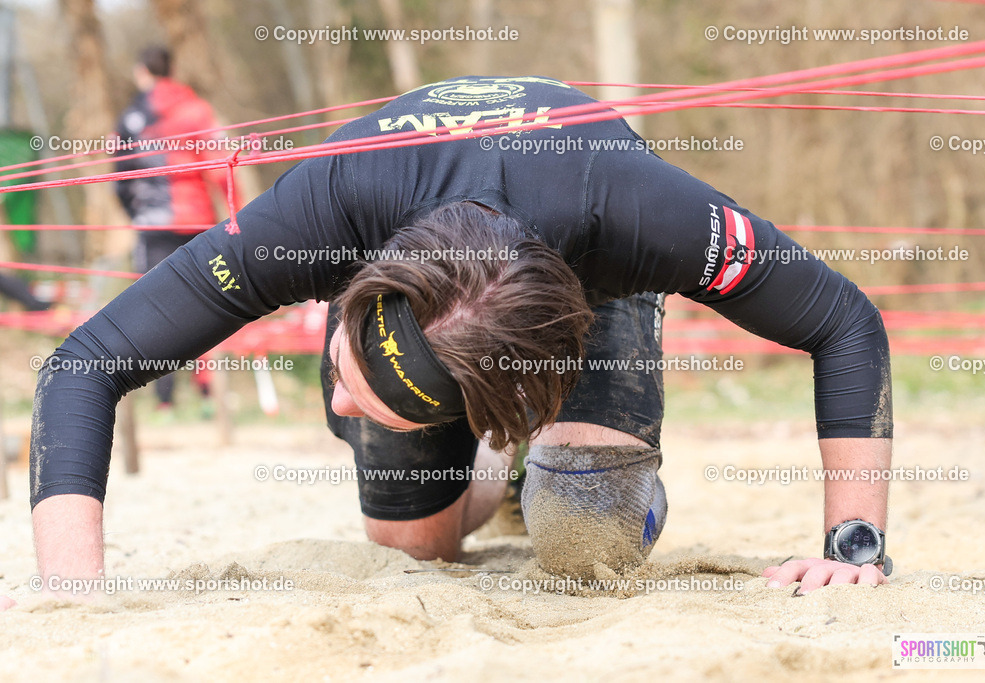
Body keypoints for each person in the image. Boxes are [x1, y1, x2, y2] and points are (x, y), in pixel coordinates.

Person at [13, 75, 894, 609]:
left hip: (585, 268)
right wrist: (74, 589)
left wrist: (854, 545)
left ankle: (558, 461)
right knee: (415, 547)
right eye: (347, 374)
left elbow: (843, 320)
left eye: (357, 394)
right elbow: (84, 364)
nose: (341, 404)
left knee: (585, 536)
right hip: (400, 224)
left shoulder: (638, 213)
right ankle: (496, 472)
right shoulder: (319, 211)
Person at [113, 45, 228, 409]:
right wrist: (234, 212)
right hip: (198, 219)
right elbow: (219, 164)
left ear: (140, 71)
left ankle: (165, 400)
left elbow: (119, 174)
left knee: (154, 305)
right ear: (172, 68)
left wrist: (134, 212)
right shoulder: (196, 108)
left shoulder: (131, 114)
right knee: (208, 302)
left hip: (153, 225)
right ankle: (210, 392)